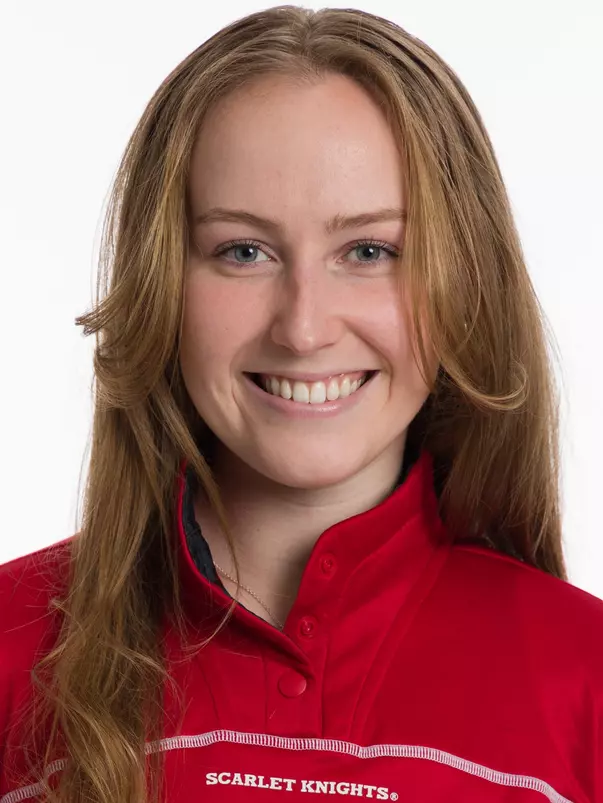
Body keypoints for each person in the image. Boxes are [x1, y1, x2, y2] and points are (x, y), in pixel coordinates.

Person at [1, 5, 602, 803]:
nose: (304, 326)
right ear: (161, 286)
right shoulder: (12, 646)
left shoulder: (583, 673)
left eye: (369, 251)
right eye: (242, 251)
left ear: (465, 284)